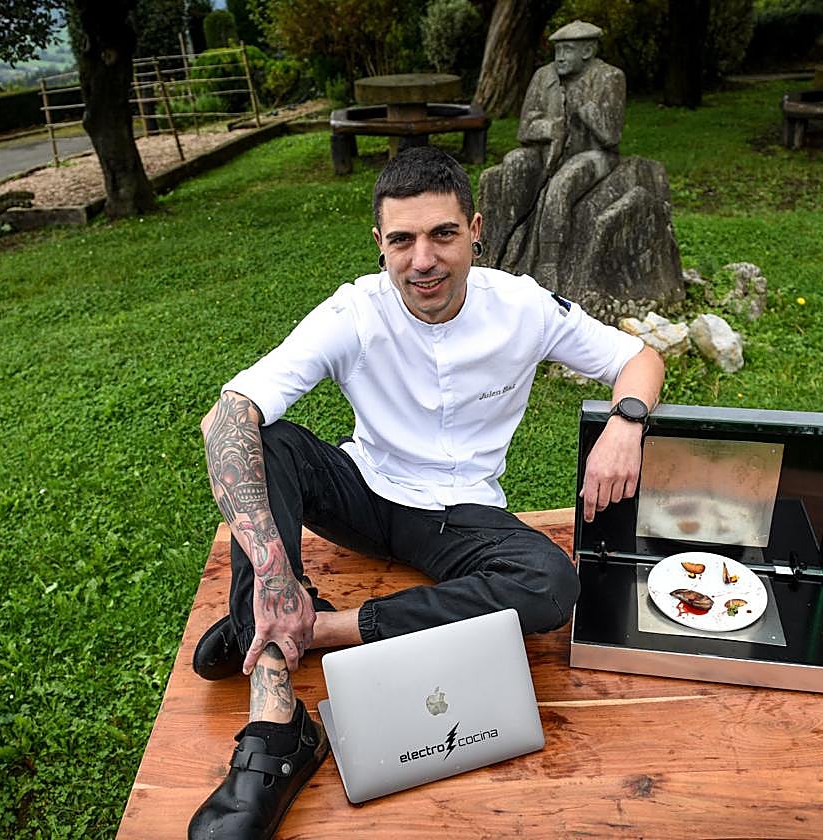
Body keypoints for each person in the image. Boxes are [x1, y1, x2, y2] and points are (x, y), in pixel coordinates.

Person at [187, 145, 664, 840]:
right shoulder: (354, 309)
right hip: (364, 491)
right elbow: (228, 414)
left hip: (460, 513)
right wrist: (271, 572)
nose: (423, 260)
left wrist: (626, 424)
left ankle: (317, 630)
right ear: (379, 243)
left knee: (550, 584)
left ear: (476, 228)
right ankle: (274, 717)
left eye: (442, 234)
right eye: (402, 240)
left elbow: (639, 358)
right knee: (264, 443)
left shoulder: (523, 306)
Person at [478, 20, 626, 290]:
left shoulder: (609, 77)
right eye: (557, 50)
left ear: (588, 51)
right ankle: (499, 251)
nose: (560, 57)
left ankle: (548, 265)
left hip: (594, 155)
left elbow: (610, 135)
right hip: (547, 152)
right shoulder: (544, 77)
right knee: (513, 163)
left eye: (568, 50)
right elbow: (525, 129)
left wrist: (582, 104)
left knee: (561, 186)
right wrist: (549, 127)